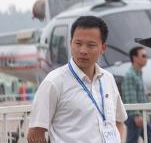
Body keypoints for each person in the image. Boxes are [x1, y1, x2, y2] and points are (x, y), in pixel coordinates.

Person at [27, 15, 127, 143]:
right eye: (78, 44)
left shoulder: (108, 79)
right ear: (70, 43)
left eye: (91, 45)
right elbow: (35, 133)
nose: (83, 50)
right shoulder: (54, 82)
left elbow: (119, 121)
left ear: (103, 48)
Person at [122, 46, 151, 143]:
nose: (146, 58)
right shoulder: (130, 75)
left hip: (142, 115)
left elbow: (140, 90)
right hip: (136, 116)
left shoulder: (137, 74)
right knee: (135, 140)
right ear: (134, 58)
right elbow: (130, 98)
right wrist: (136, 116)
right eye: (143, 56)